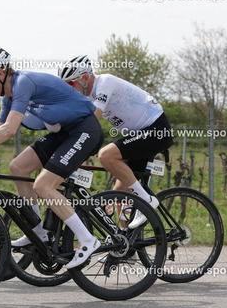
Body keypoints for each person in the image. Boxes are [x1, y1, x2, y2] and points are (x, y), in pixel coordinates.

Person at [0, 47, 104, 269]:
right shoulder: (8, 98)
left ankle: (87, 240)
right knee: (18, 167)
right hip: (64, 132)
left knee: (43, 186)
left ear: (0, 72)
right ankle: (37, 231)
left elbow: (9, 130)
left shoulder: (23, 82)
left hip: (84, 130)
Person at [58, 55, 173, 228]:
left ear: (85, 78)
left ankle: (146, 200)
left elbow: (92, 121)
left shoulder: (105, 83)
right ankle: (125, 239)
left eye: (70, 84)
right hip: (138, 135)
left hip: (156, 130)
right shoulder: (88, 98)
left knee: (106, 155)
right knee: (120, 192)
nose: (69, 89)